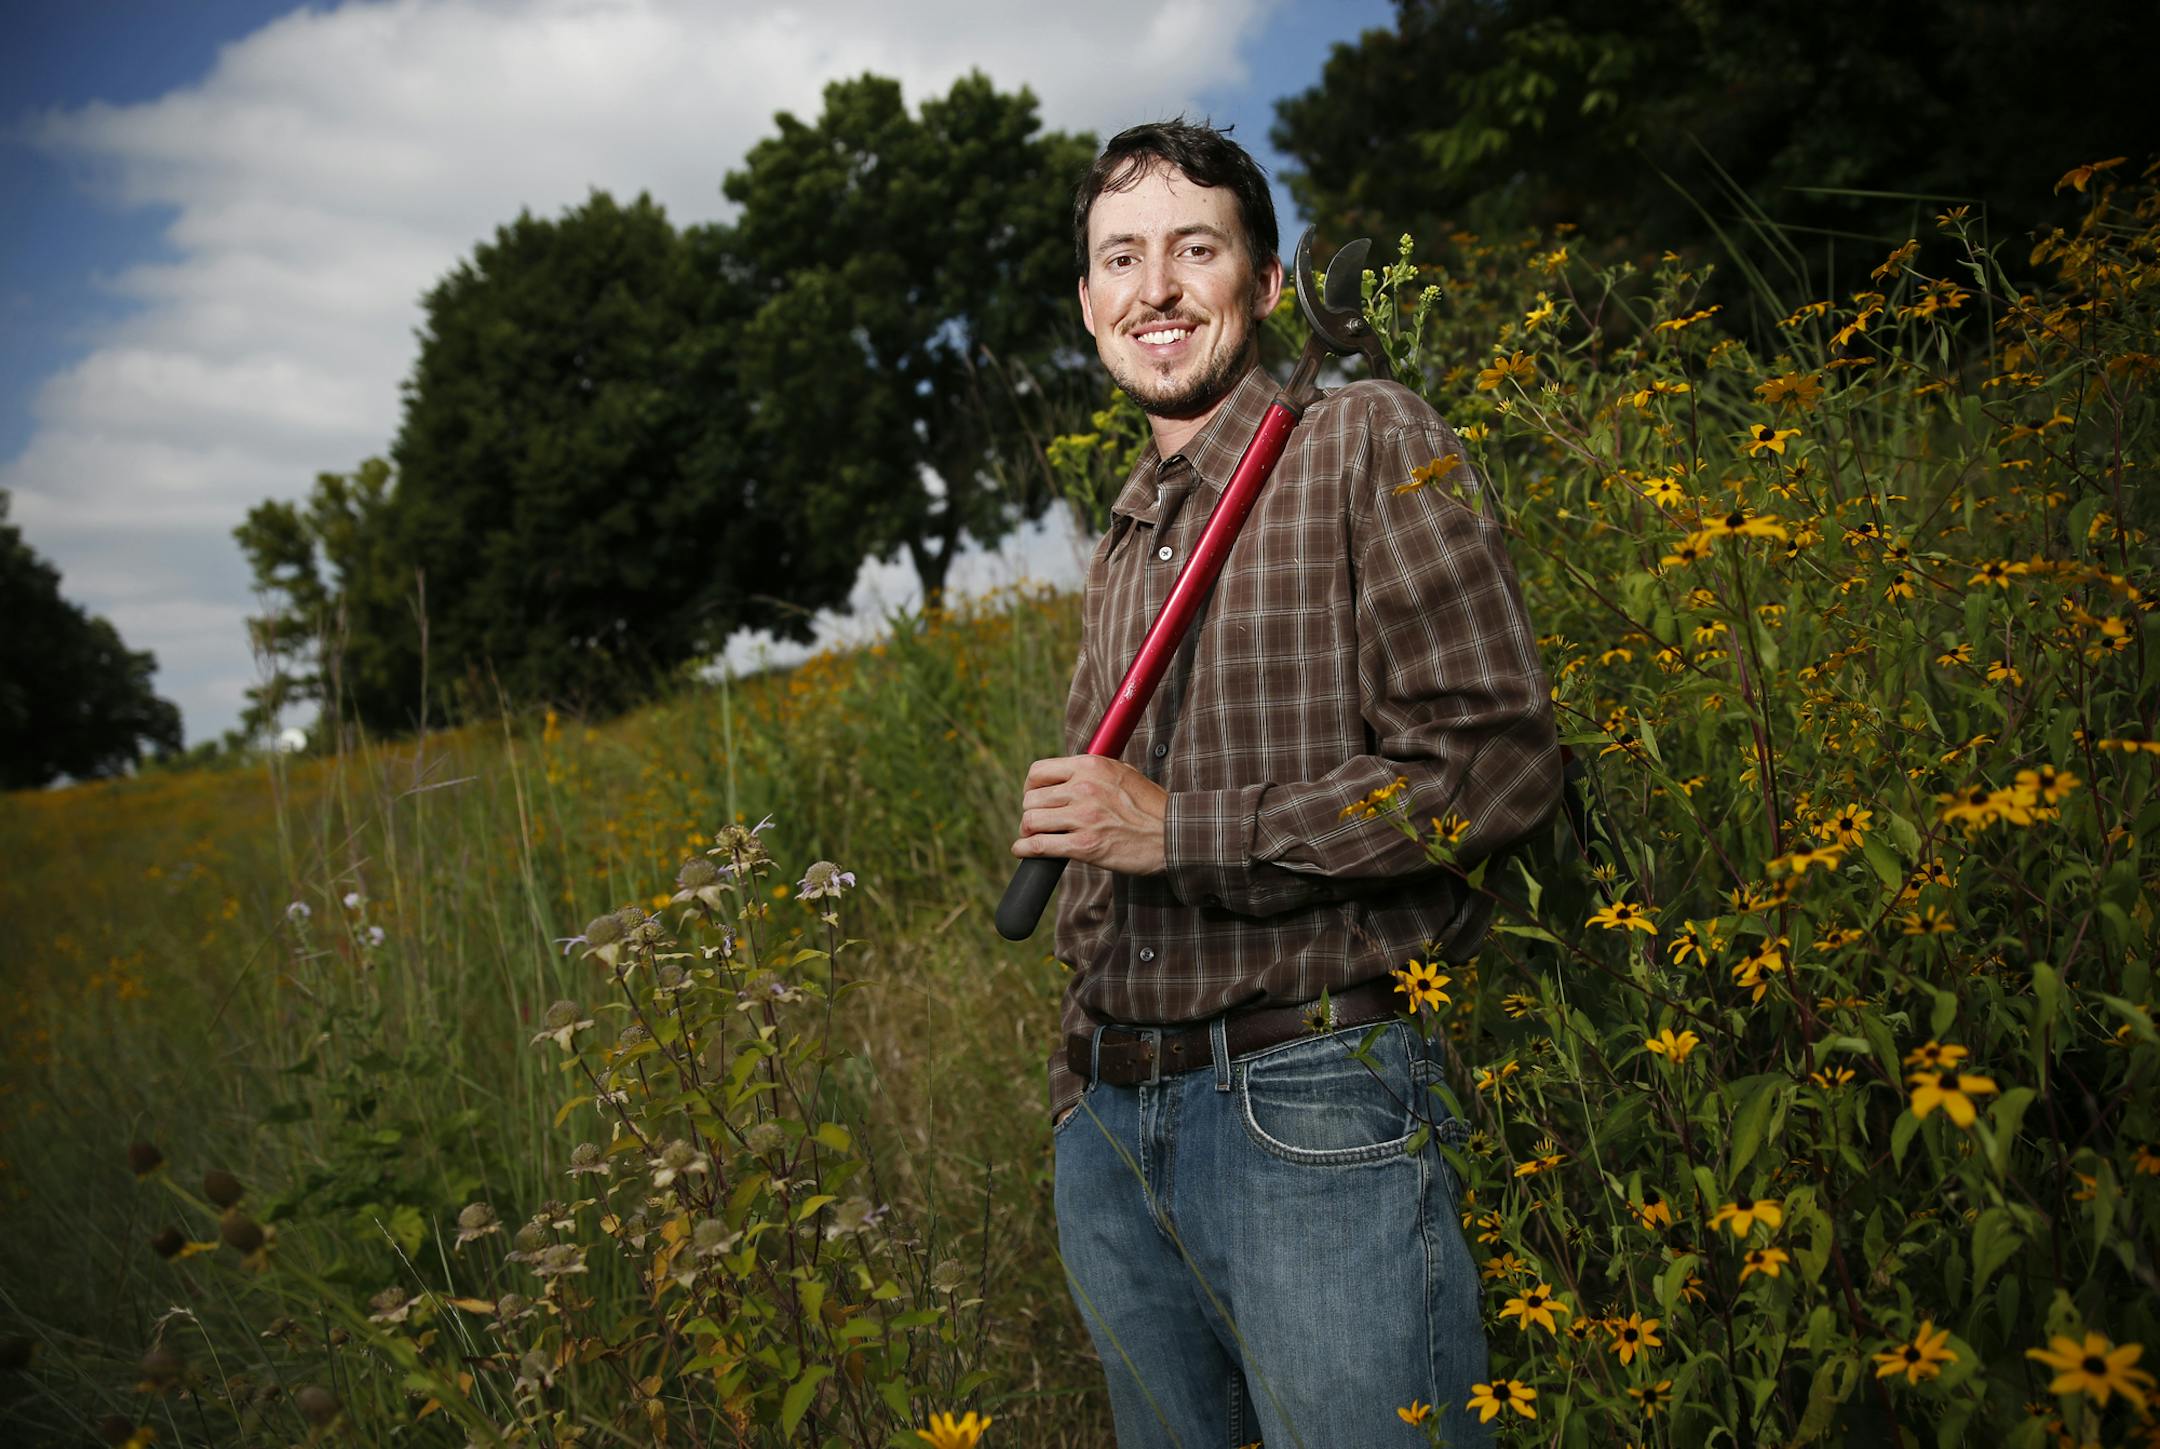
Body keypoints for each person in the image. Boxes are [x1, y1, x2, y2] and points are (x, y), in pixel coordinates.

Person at [1008, 118, 1561, 1447]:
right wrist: (1078, 1094)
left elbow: (1494, 762)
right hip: (1111, 1130)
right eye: (1121, 258)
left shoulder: (1364, 437)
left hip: (1307, 1104)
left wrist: (1182, 830)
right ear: (1088, 306)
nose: (1158, 287)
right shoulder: (1122, 539)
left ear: (1262, 282)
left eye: (1196, 248)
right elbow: (1097, 862)